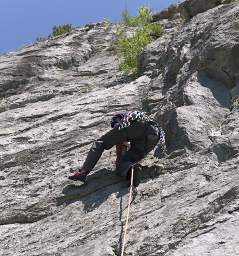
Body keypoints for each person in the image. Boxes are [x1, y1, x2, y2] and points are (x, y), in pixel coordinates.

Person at [69, 111, 165, 186]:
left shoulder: (118, 117)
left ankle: (83, 172)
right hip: (155, 135)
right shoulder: (145, 117)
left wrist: (118, 159)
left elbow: (119, 135)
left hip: (138, 125)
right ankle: (132, 170)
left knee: (100, 143)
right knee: (128, 160)